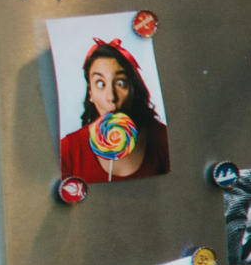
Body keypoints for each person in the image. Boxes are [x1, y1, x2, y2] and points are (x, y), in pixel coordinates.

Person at [57, 38, 169, 183]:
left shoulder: (162, 138)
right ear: (90, 93)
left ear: (133, 89)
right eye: (100, 83)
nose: (111, 97)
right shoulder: (68, 149)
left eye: (120, 83)